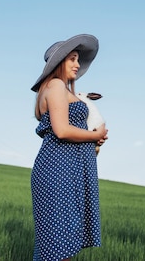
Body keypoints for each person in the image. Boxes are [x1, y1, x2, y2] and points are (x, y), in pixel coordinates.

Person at [30, 34, 109, 261]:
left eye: (78, 59)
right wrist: (95, 134)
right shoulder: (55, 85)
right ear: (59, 62)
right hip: (58, 172)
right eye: (72, 59)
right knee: (58, 246)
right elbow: (62, 130)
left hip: (70, 171)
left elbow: (76, 138)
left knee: (63, 246)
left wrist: (94, 142)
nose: (77, 64)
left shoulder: (64, 91)